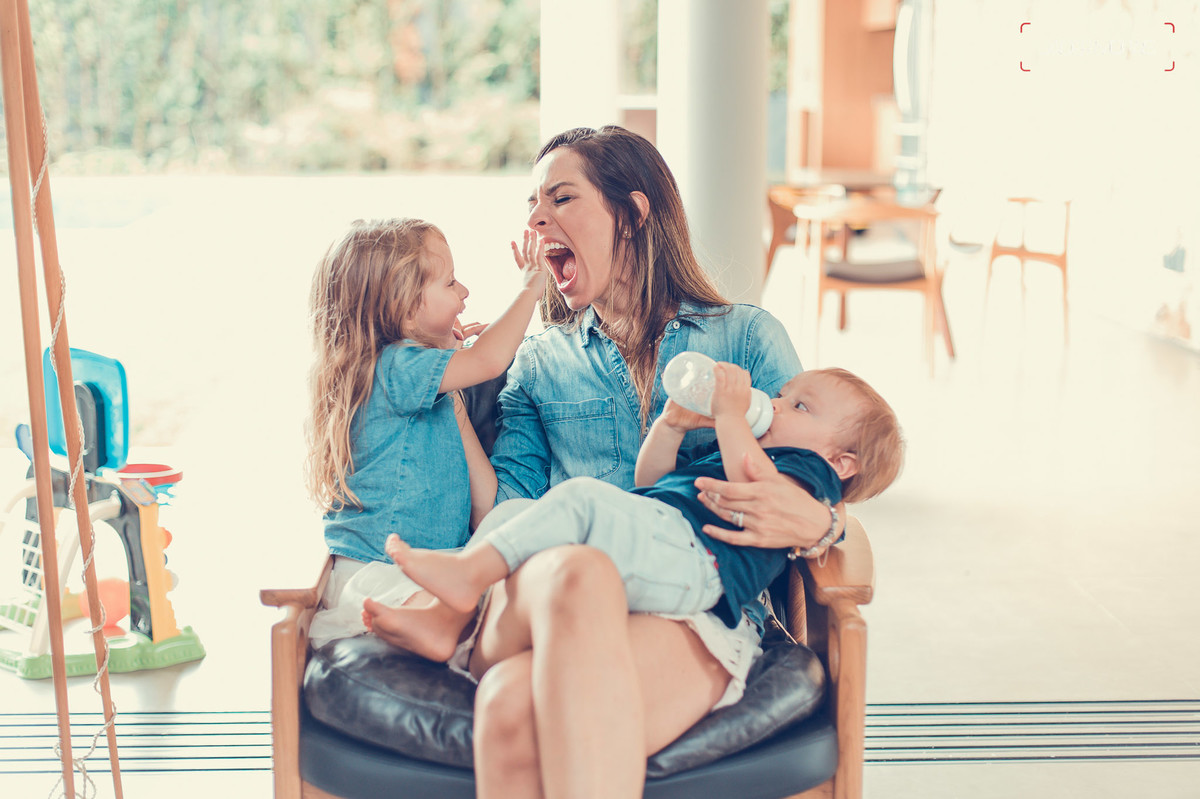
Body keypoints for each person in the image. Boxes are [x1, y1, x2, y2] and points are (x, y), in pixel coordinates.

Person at [354, 125, 857, 799]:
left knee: (510, 704)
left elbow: (810, 470)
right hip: (548, 592)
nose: (537, 220)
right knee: (579, 569)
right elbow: (505, 506)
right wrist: (449, 400)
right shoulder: (538, 362)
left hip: (693, 607)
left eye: (562, 198)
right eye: (533, 205)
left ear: (633, 213)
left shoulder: (745, 338)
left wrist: (825, 525)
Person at [366, 364, 901, 659]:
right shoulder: (741, 449)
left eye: (799, 406)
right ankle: (444, 619)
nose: (777, 404)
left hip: (698, 568)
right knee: (519, 512)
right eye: (783, 394)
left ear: (841, 461)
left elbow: (755, 487)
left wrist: (730, 416)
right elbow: (650, 483)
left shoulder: (808, 472)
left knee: (581, 496)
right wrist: (670, 426)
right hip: (662, 541)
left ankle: (465, 577)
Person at [304, 218, 545, 649]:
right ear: (404, 307)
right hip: (378, 570)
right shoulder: (393, 367)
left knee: (512, 526)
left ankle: (442, 621)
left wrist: (452, 388)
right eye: (450, 282)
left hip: (437, 567)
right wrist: (530, 288)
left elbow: (487, 504)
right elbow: (489, 360)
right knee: (473, 602)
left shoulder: (422, 385)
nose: (464, 292)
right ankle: (436, 622)